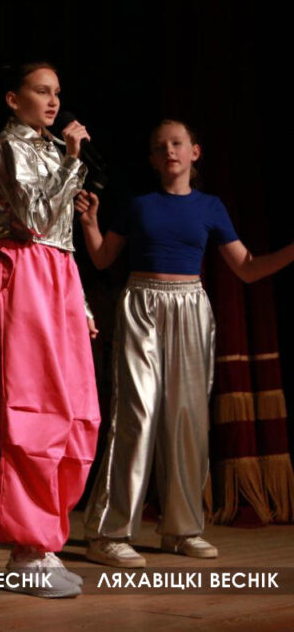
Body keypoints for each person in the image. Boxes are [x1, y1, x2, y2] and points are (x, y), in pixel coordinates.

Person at [79, 119, 294, 567]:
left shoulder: (210, 206)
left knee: (187, 418)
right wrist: (90, 222)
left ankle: (181, 529)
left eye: (177, 144)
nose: (169, 151)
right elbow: (101, 258)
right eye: (160, 147)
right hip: (142, 306)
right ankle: (108, 533)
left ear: (194, 152)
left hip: (191, 307)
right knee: (136, 417)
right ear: (153, 159)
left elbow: (247, 268)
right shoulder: (138, 205)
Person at [0, 62, 99, 598]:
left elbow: (62, 234)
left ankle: (46, 539)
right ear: (13, 98)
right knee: (34, 409)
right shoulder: (8, 147)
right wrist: (72, 161)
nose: (52, 101)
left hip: (59, 273)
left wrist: (81, 303)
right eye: (41, 91)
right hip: (24, 268)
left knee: (79, 411)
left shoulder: (52, 149)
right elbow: (33, 218)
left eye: (57, 92)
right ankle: (26, 549)